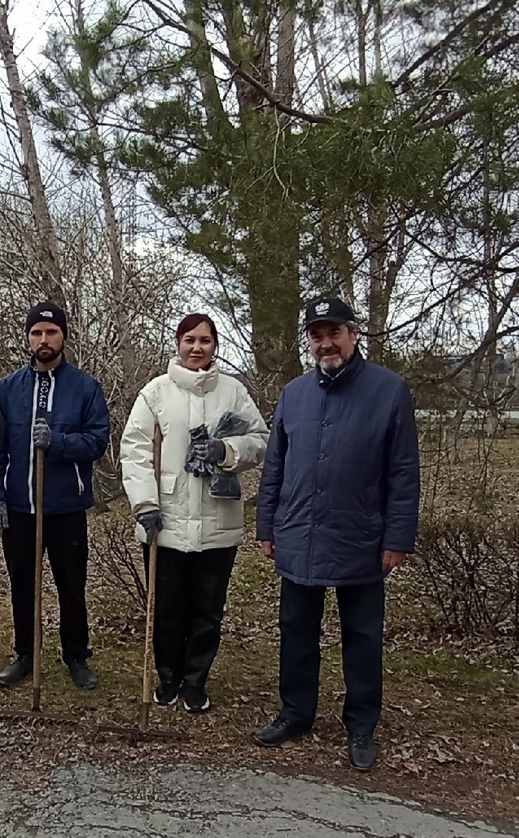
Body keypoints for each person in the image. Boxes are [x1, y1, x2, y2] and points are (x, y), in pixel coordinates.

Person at [253, 297, 420, 772]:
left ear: (353, 335)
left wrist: (397, 537)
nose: (326, 343)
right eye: (317, 335)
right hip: (298, 531)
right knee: (296, 631)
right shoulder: (294, 393)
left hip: (360, 535)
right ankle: (296, 713)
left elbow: (404, 472)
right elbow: (275, 467)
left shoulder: (389, 391)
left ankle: (362, 725)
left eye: (335, 333)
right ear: (309, 341)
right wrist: (267, 524)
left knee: (362, 636)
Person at [119, 313, 269, 713]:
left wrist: (227, 452)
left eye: (204, 340)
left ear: (215, 346)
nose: (197, 348)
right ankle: (167, 677)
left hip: (218, 520)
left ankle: (195, 681)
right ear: (177, 343)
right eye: (189, 340)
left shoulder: (233, 391)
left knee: (207, 609)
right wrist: (145, 504)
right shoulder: (156, 392)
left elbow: (260, 441)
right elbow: (134, 452)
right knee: (167, 608)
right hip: (164, 520)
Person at [0, 301, 111, 690]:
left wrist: (58, 441)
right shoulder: (9, 388)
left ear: (63, 337)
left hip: (65, 506)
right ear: (28, 338)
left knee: (70, 585)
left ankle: (76, 654)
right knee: (23, 582)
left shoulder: (85, 387)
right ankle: (26, 653)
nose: (44, 339)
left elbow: (98, 441)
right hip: (20, 506)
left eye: (51, 332)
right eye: (37, 333)